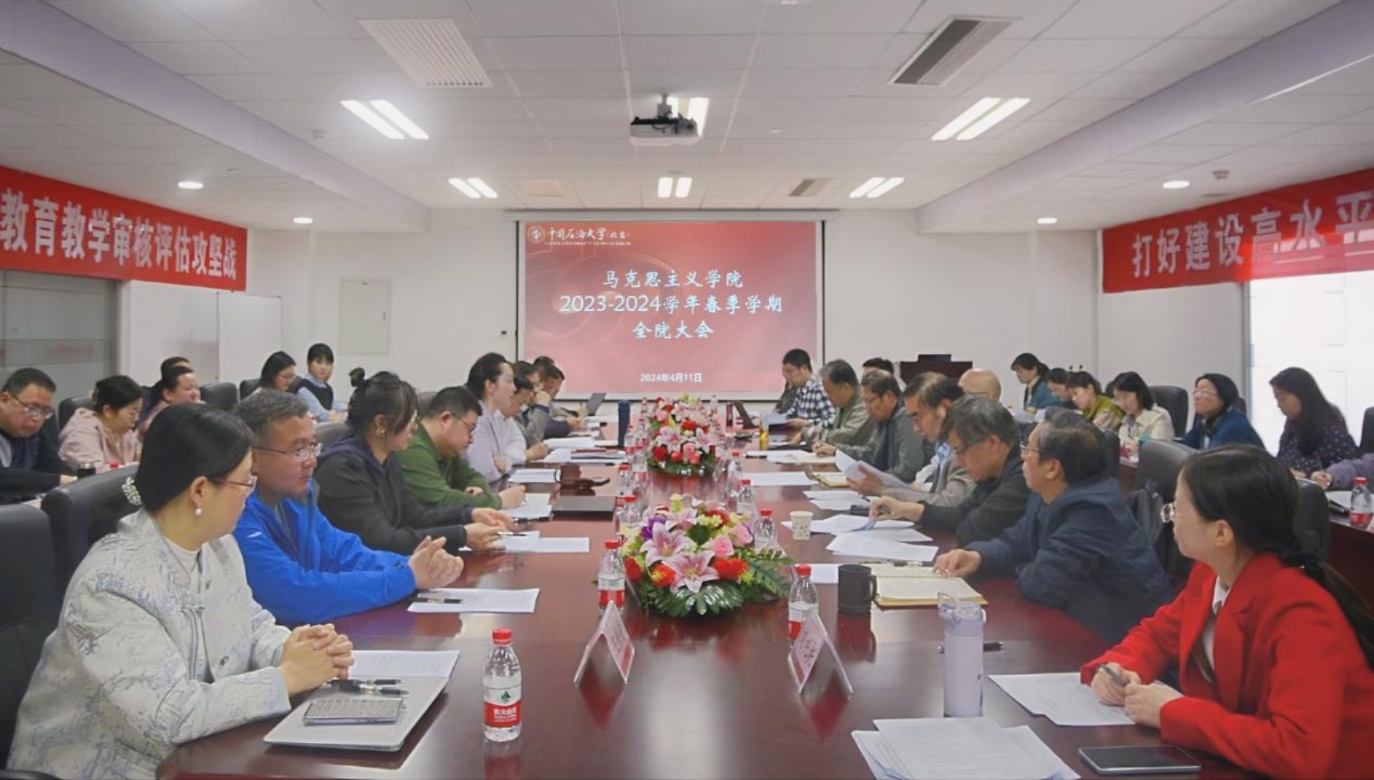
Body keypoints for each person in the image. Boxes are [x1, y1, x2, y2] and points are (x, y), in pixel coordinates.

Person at [7, 404, 352, 779]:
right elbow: (170, 714)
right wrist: (287, 677)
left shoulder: (218, 545)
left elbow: (251, 624)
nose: (249, 496)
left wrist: (296, 648)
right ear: (200, 490)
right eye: (245, 483)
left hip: (197, 755)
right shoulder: (111, 582)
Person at [1083, 446, 1374, 778]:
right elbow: (1160, 634)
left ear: (1221, 532)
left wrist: (1173, 712)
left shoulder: (1301, 613)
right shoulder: (1212, 573)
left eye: (1177, 507)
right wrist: (1119, 667)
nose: (1170, 515)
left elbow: (1298, 751)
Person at [232, 390, 466, 626]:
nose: (311, 461)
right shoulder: (235, 516)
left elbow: (342, 552)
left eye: (312, 446)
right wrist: (406, 577)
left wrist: (415, 564)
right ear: (253, 458)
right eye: (298, 450)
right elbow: (295, 595)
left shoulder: (295, 495)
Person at [935, 415, 1174, 642]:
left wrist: (1026, 563)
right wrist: (978, 557)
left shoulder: (1094, 513)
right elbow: (1016, 542)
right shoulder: (1047, 492)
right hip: (1079, 622)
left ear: (1052, 468)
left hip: (1124, 637)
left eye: (1028, 449)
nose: (1022, 456)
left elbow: (1041, 585)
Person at [314, 370, 511, 555]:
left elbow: (413, 516)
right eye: (410, 419)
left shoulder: (386, 456)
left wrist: (468, 515)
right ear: (381, 423)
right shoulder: (343, 470)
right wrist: (461, 535)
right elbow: (381, 540)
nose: (415, 427)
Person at [870, 394, 1029, 545]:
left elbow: (973, 530)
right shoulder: (993, 475)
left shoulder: (1022, 480)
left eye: (960, 451)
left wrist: (960, 521)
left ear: (992, 443)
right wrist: (905, 509)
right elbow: (960, 513)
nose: (959, 462)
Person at [398, 385, 527, 512]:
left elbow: (474, 476)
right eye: (469, 429)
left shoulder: (446, 449)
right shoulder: (412, 447)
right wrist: (499, 501)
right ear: (445, 419)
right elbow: (442, 501)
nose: (471, 440)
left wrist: (477, 490)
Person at [875, 372, 976, 507]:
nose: (915, 428)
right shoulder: (943, 446)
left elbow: (951, 502)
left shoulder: (969, 445)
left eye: (918, 417)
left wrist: (884, 491)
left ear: (945, 408)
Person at [815, 371, 927, 488]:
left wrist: (876, 480)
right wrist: (837, 450)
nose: (868, 408)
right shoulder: (883, 419)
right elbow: (870, 453)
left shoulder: (907, 419)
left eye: (871, 401)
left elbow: (908, 470)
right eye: (865, 401)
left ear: (889, 397)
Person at [466, 353, 544, 484]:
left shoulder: (495, 416)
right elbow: (485, 473)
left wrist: (506, 461)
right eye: (509, 381)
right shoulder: (477, 419)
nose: (514, 388)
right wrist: (505, 465)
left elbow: (518, 442)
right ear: (490, 385)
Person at [0, 368, 74, 502]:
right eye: (32, 408)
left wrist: (75, 481)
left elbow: (56, 468)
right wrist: (57, 480)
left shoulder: (31, 433)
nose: (37, 418)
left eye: (45, 411)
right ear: (4, 400)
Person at [1270, 366, 1357, 476]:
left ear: (1302, 396)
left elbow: (1344, 474)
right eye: (1276, 399)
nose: (1278, 405)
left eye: (1282, 399)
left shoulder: (1332, 432)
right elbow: (1282, 460)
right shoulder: (1292, 424)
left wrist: (1304, 476)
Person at [58, 374, 143, 472]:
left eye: (139, 412)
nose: (137, 418)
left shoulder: (124, 431)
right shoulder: (82, 432)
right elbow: (95, 472)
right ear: (108, 411)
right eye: (132, 413)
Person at [794, 359, 874, 449]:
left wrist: (810, 433)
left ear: (845, 387)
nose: (827, 396)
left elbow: (847, 436)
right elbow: (834, 432)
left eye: (829, 391)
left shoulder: (865, 401)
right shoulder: (843, 402)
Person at [1181, 373, 1263, 450]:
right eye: (1196, 391)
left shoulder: (1234, 426)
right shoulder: (1204, 422)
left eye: (1204, 392)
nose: (1197, 396)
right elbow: (1184, 448)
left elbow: (1213, 457)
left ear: (1223, 397)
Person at [1112, 371, 1175, 457]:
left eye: (1126, 397)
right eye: (1118, 398)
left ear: (1140, 394)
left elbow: (1157, 453)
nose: (1122, 403)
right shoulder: (1127, 418)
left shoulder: (1160, 417)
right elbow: (1121, 445)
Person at [137, 365, 202, 437]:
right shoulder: (160, 417)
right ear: (168, 394)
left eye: (196, 388)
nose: (195, 394)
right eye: (188, 389)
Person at [779, 348, 835, 429]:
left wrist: (808, 423)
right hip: (802, 435)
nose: (787, 376)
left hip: (816, 436)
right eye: (785, 373)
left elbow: (832, 420)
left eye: (790, 371)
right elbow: (790, 414)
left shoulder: (819, 389)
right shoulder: (800, 389)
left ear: (804, 368)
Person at [296, 343, 346, 423]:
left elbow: (333, 405)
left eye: (328, 363)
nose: (323, 367)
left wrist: (347, 409)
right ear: (309, 363)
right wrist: (339, 416)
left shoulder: (327, 388)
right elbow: (320, 415)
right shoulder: (303, 389)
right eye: (319, 362)